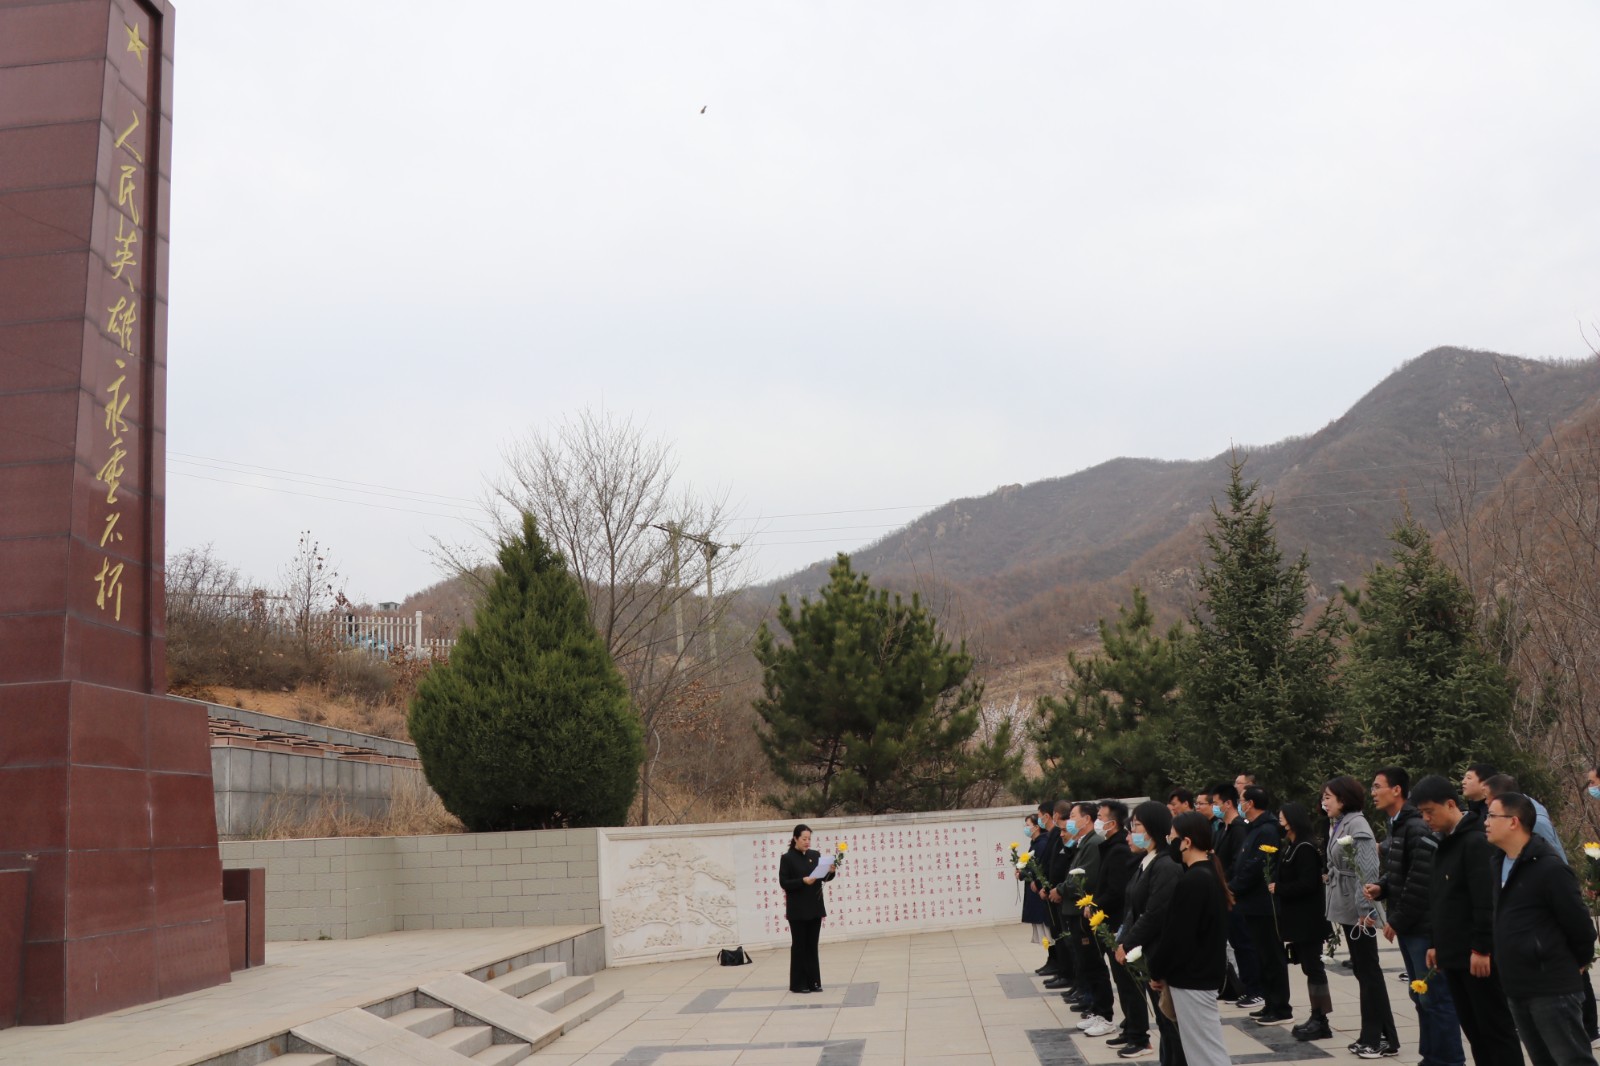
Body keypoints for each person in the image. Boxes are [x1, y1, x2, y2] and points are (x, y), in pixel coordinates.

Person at [1411, 774, 1525, 1066]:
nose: (1426, 819)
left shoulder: (1475, 841)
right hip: (1453, 955)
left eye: (1429, 812)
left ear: (1450, 804)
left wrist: (1482, 948)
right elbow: (1440, 899)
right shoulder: (1445, 843)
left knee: (1495, 1030)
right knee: (1474, 1031)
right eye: (1422, 813)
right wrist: (1436, 943)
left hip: (1477, 956)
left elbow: (1484, 900)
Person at [1485, 792, 1598, 1066]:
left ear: (1514, 821)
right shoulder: (1498, 863)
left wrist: (1578, 961)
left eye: (1491, 815)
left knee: (1573, 1061)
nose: (1485, 822)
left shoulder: (1549, 868)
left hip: (1552, 987)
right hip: (1517, 984)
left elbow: (1581, 927)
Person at [1365, 766, 1464, 1066]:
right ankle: (1431, 1056)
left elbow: (1421, 882)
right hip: (1411, 926)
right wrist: (1382, 887)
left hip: (1421, 927)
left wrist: (1398, 919)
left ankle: (1449, 1059)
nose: (1373, 793)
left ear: (1396, 790)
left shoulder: (1416, 826)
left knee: (1435, 997)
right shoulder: (1397, 824)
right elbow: (1400, 871)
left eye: (1377, 786)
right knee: (1421, 997)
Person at [1323, 774, 1400, 1059]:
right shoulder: (1342, 823)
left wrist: (1366, 912)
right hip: (1349, 907)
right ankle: (1381, 1035)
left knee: (1369, 973)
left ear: (1343, 799)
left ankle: (1377, 1037)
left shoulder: (1358, 825)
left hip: (1361, 912)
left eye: (1328, 797)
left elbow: (1367, 871)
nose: (1324, 802)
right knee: (1363, 971)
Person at [1151, 812, 1233, 1066]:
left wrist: (1157, 969)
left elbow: (1178, 936)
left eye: (1172, 838)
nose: (1170, 843)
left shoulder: (1195, 880)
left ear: (1186, 842)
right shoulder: (1205, 875)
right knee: (1202, 1048)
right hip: (1200, 975)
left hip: (1193, 978)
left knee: (1205, 1052)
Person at [1117, 802, 1183, 1063]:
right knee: (1165, 1025)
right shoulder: (1146, 862)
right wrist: (1123, 939)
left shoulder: (1166, 865)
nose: (1131, 833)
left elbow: (1155, 913)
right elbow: (1132, 909)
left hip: (1160, 953)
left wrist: (1128, 942)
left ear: (1154, 828)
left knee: (1171, 1024)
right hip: (1148, 952)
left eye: (1136, 826)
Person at [1272, 801, 1333, 1041]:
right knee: (1309, 969)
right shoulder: (1293, 846)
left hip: (1309, 921)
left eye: (1282, 818)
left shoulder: (1305, 848)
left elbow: (1309, 884)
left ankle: (1321, 1019)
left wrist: (1280, 888)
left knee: (1314, 969)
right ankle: (1316, 1014)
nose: (1280, 822)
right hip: (1297, 920)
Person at [1231, 785, 1291, 1024]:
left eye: (1241, 801)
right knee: (1262, 956)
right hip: (1251, 904)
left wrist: (1233, 887)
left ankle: (1280, 1007)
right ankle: (1269, 1003)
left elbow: (1256, 866)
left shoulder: (1267, 830)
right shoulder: (1254, 829)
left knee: (1272, 957)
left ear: (1251, 803)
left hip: (1263, 905)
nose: (1240, 804)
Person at [1097, 800, 1147, 1053]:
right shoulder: (1115, 850)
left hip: (1122, 927)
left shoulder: (1119, 852)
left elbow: (1117, 892)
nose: (1131, 836)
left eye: (1135, 829)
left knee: (1130, 983)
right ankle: (1131, 1027)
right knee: (1123, 983)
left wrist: (1095, 904)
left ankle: (1139, 1035)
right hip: (1120, 927)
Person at [1063, 801, 1116, 1035]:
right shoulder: (1082, 842)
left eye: (1073, 816)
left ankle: (1105, 1015)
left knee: (1094, 963)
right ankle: (1096, 1010)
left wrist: (1059, 889)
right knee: (1087, 963)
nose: (1069, 820)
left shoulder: (1094, 842)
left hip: (1085, 912)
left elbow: (1086, 878)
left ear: (1086, 819)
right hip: (1076, 912)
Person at [1212, 782, 1260, 1005]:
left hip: (1235, 893)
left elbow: (1238, 862)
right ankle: (1244, 986)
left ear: (1227, 803)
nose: (1214, 808)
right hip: (1226, 893)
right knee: (1238, 943)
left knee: (1245, 944)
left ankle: (1255, 989)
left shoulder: (1239, 827)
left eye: (1215, 803)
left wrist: (1225, 883)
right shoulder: (1223, 828)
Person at [778, 823, 836, 994]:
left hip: (814, 907)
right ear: (795, 838)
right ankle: (798, 983)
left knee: (812, 945)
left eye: (809, 839)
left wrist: (831, 871)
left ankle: (814, 982)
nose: (807, 842)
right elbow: (784, 883)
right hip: (797, 910)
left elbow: (823, 877)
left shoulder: (815, 855)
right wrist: (802, 881)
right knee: (799, 946)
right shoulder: (787, 858)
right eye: (804, 838)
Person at [1021, 813, 1050, 943]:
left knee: (1047, 932)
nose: (1025, 828)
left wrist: (1023, 874)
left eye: (1028, 825)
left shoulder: (1042, 843)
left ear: (1037, 827)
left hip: (1039, 890)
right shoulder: (1035, 843)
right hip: (1034, 889)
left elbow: (1039, 867)